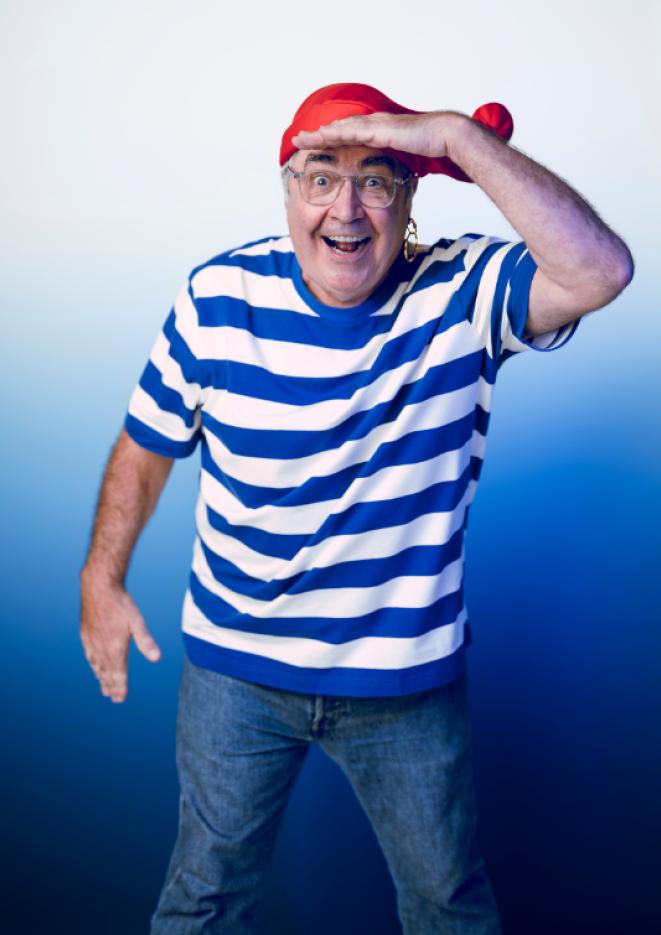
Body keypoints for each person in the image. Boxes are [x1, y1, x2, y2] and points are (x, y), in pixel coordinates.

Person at [80, 83, 633, 934]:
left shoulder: (462, 290)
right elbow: (148, 440)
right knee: (204, 900)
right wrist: (101, 574)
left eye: (377, 179)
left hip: (403, 684)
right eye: (319, 176)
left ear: (411, 197)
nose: (346, 207)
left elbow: (600, 270)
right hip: (237, 668)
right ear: (287, 191)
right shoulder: (217, 296)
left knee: (447, 906)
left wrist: (454, 137)